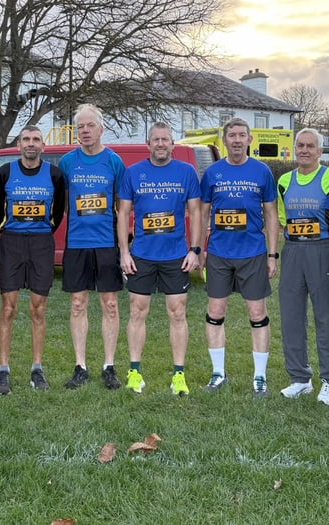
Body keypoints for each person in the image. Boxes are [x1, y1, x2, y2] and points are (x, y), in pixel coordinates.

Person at [117, 122, 201, 395]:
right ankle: (134, 372)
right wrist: (124, 252)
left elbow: (196, 213)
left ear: (172, 143)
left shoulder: (186, 172)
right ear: (148, 143)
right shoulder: (133, 173)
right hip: (141, 255)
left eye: (165, 139)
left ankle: (178, 375)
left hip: (176, 256)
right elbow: (122, 214)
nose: (161, 144)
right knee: (136, 311)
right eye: (156, 139)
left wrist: (195, 249)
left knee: (177, 313)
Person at [199, 117, 279, 397]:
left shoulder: (262, 171)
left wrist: (272, 254)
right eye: (231, 135)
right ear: (224, 140)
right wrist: (200, 249)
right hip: (219, 254)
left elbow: (271, 214)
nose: (236, 140)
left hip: (253, 253)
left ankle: (260, 377)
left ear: (249, 140)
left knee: (257, 314)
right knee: (215, 312)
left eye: (241, 135)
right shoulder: (212, 173)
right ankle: (218, 374)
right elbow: (203, 214)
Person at [0, 125, 65, 394]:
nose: (30, 144)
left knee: (38, 309)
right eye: (26, 139)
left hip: (41, 243)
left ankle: (37, 369)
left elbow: (57, 212)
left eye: (35, 139)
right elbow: (0, 208)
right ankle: (3, 370)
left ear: (42, 146)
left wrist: (38, 232)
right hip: (11, 242)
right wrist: (13, 231)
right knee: (8, 308)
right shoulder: (6, 172)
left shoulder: (55, 174)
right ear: (19, 144)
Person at [59, 104, 125, 390]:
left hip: (106, 244)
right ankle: (80, 366)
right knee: (77, 304)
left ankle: (109, 366)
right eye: (80, 127)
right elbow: (63, 205)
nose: (84, 131)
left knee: (110, 305)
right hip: (77, 244)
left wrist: (123, 250)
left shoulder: (114, 162)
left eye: (89, 126)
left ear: (101, 129)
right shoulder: (66, 162)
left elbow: (122, 207)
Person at [277, 128, 329, 405]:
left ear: (320, 151)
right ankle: (299, 378)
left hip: (322, 250)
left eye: (311, 146)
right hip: (293, 250)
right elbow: (282, 219)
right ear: (294, 149)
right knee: (291, 316)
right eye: (300, 145)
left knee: (325, 317)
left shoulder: (327, 177)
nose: (305, 150)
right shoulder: (284, 180)